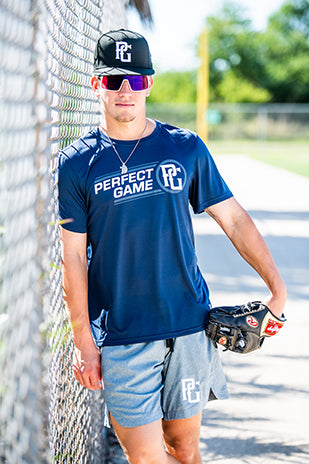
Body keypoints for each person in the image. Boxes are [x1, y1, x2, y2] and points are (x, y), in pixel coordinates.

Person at [58, 29, 286, 464]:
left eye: (136, 80)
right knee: (145, 457)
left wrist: (277, 288)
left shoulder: (184, 148)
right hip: (122, 335)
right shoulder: (76, 164)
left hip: (188, 326)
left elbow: (234, 218)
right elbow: (72, 257)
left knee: (184, 448)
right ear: (96, 85)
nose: (125, 91)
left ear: (150, 83)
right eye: (113, 81)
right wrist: (83, 340)